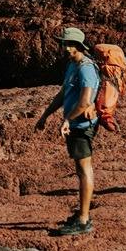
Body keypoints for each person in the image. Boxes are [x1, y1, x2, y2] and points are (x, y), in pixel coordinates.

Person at [33, 26, 101, 236]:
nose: (64, 48)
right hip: (75, 125)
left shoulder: (86, 69)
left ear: (78, 46)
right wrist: (46, 114)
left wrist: (66, 120)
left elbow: (84, 103)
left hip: (82, 126)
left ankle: (83, 220)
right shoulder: (73, 66)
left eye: (68, 44)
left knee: (84, 170)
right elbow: (63, 94)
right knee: (80, 169)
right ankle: (82, 213)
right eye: (63, 43)